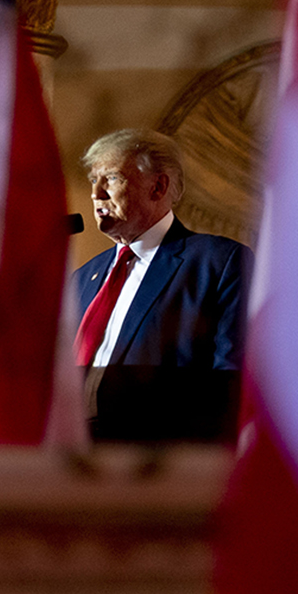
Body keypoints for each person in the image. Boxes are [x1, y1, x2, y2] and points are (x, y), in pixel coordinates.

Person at [72, 129, 251, 443]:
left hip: (158, 458)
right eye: (92, 180)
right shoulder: (83, 278)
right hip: (74, 455)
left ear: (158, 186)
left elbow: (230, 379)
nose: (96, 193)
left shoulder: (218, 263)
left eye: (111, 179)